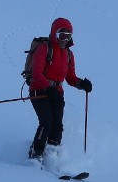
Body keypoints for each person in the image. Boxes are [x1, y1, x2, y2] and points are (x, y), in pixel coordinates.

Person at [26, 16, 92, 162]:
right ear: (55, 34)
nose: (65, 39)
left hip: (57, 93)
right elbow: (36, 74)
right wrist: (48, 88)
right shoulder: (45, 48)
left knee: (57, 125)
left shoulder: (68, 54)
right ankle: (35, 155)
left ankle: (52, 157)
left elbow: (70, 78)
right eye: (61, 35)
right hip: (39, 90)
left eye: (68, 36)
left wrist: (82, 85)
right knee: (46, 121)